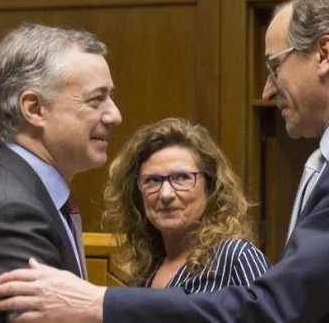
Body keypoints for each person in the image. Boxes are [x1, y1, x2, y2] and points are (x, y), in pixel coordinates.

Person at [0, 0, 329, 322]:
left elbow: (276, 305)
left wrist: (97, 303)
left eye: (273, 65)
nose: (267, 89)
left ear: (324, 53)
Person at [0, 23, 122, 322]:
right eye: (96, 99)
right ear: (34, 109)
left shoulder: (18, 190)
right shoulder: (10, 211)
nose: (115, 115)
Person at [102, 117, 270, 290]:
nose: (166, 194)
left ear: (210, 186)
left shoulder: (236, 257)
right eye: (152, 180)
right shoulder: (148, 266)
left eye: (182, 177)